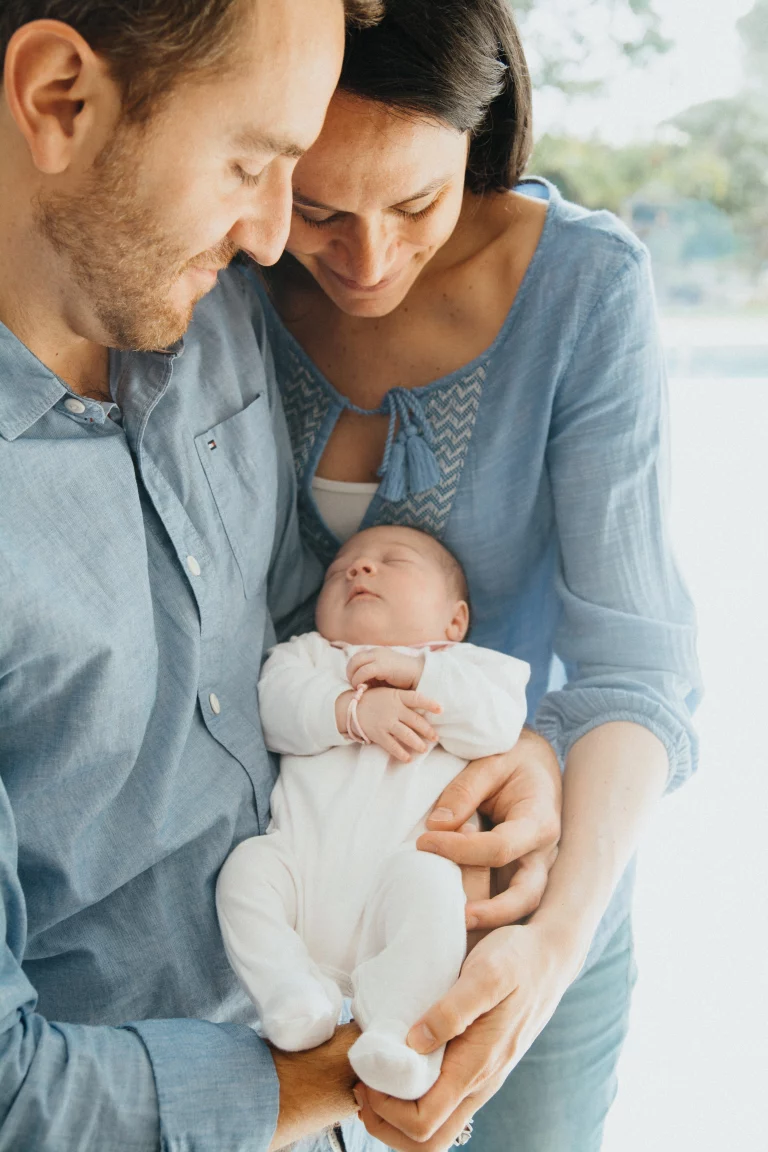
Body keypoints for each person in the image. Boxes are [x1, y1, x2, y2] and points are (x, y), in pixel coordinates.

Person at [0, 2, 562, 1150]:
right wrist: (340, 1081)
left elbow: (302, 612)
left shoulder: (207, 320)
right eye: (251, 162)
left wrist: (506, 751)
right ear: (59, 98)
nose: (273, 240)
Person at [248, 1, 704, 1149]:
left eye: (416, 203)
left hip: (518, 889)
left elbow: (637, 667)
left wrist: (546, 950)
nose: (365, 261)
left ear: (483, 128)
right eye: (316, 208)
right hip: (283, 897)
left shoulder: (582, 293)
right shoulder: (225, 279)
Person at [216, 525, 530, 1100]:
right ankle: (290, 989)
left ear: (454, 621)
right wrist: (351, 711)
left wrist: (423, 675)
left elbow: (500, 721)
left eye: (393, 561)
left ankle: (396, 1034)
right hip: (302, 873)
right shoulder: (308, 654)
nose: (358, 570)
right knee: (247, 869)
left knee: (435, 890)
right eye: (340, 570)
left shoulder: (475, 669)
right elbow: (272, 707)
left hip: (397, 886)